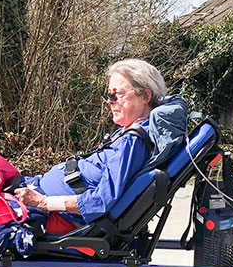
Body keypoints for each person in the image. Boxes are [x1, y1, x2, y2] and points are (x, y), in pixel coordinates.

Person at [13, 59, 166, 223]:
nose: (109, 101)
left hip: (52, 214)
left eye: (116, 94)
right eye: (109, 95)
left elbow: (101, 200)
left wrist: (43, 202)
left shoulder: (132, 142)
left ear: (144, 96)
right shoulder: (130, 131)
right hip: (38, 186)